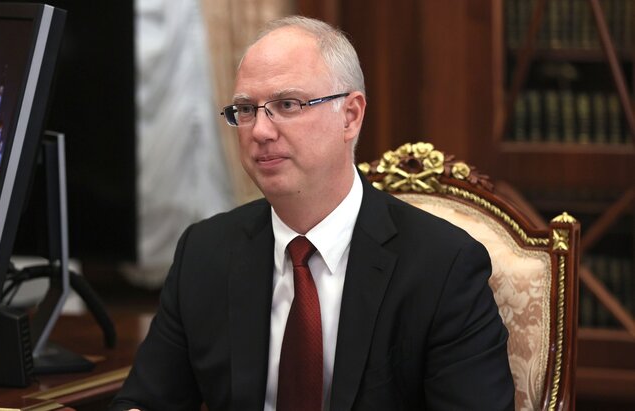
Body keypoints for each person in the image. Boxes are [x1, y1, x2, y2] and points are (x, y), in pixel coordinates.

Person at [110, 15, 514, 411]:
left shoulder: (443, 266)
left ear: (350, 116)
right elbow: (145, 400)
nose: (260, 131)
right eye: (246, 109)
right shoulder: (204, 253)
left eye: (287, 104)